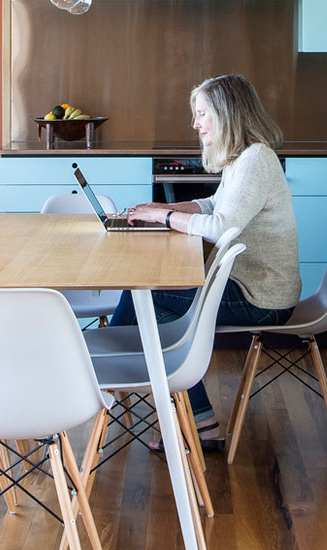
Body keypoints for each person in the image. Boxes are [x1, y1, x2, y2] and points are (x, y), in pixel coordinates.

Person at [117, 73, 299, 446]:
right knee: (146, 300)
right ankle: (116, 383)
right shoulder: (243, 158)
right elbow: (214, 205)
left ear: (227, 114)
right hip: (249, 287)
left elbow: (220, 226)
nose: (195, 123)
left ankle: (101, 381)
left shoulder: (256, 160)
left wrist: (163, 217)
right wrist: (160, 208)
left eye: (202, 114)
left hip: (262, 297)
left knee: (143, 297)